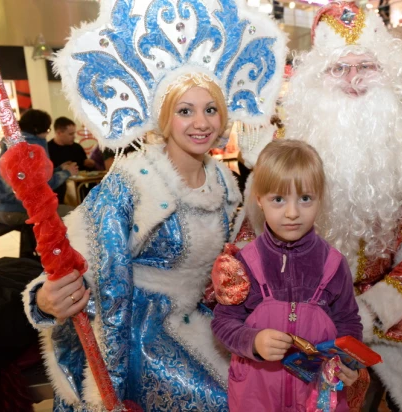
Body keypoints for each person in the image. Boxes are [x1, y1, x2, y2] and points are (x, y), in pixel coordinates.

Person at [228, 2, 402, 411]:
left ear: (389, 74)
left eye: (366, 66)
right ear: (316, 81)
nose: (353, 81)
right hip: (301, 304)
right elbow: (253, 240)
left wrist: (371, 311)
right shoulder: (289, 156)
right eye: (339, 69)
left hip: (388, 305)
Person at [21, 0, 286, 409]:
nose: (201, 123)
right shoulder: (131, 181)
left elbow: (241, 261)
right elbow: (76, 258)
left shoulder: (225, 182)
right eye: (185, 111)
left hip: (206, 321)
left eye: (210, 109)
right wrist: (44, 298)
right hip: (136, 336)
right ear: (164, 118)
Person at [212, 140, 362, 411]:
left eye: (305, 198)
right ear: (259, 199)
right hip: (256, 397)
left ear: (320, 198)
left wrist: (348, 361)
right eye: (278, 199)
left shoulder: (334, 264)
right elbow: (223, 323)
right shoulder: (243, 264)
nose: (292, 213)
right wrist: (253, 341)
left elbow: (348, 321)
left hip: (318, 397)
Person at [0, 109, 78, 258]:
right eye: (48, 129)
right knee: (75, 213)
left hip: (2, 207)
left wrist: (58, 169)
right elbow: (41, 186)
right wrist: (66, 173)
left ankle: (37, 256)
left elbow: (30, 178)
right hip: (16, 208)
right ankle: (60, 259)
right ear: (39, 130)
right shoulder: (32, 146)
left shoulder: (13, 143)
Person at [47, 117, 96, 203]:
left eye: (74, 133)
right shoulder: (48, 149)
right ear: (59, 133)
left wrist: (90, 164)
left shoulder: (77, 148)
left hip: (80, 193)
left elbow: (85, 169)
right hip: (57, 195)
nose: (74, 137)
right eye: (70, 134)